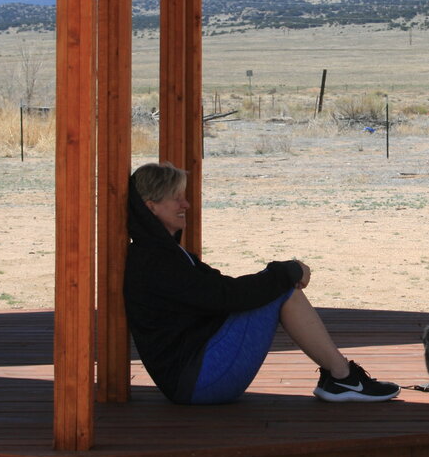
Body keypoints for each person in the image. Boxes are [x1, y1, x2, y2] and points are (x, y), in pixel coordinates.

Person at [124, 161, 400, 405]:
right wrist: (286, 272)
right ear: (152, 208)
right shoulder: (155, 261)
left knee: (275, 287)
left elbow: (220, 290)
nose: (185, 205)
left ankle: (342, 377)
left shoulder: (165, 253)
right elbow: (225, 296)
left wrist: (280, 274)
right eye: (177, 199)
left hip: (195, 374)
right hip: (198, 381)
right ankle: (343, 377)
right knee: (281, 292)